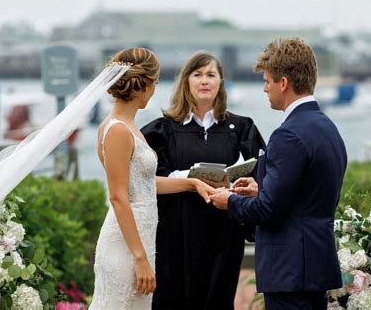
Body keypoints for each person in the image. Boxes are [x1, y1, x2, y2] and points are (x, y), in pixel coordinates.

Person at [210, 38, 348, 310]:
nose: (264, 89)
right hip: (314, 266)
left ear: (283, 83)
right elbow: (307, 195)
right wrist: (261, 189)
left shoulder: (288, 135)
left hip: (289, 270)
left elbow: (268, 210)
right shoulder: (327, 127)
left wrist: (230, 201)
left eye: (267, 81)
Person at [89, 48, 215, 310]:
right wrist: (140, 258)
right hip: (125, 246)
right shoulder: (117, 131)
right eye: (155, 84)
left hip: (140, 241)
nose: (155, 90)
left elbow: (142, 185)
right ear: (145, 85)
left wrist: (191, 183)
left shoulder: (128, 126)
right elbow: (118, 196)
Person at [141, 51, 266, 309]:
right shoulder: (163, 129)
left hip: (223, 231)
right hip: (176, 231)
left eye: (211, 75)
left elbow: (262, 172)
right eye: (197, 75)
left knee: (218, 298)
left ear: (221, 82)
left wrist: (247, 186)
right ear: (186, 81)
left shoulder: (241, 127)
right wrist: (190, 178)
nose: (204, 81)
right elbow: (149, 178)